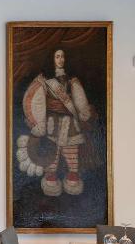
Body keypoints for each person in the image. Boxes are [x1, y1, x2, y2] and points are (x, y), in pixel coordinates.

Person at [17, 49, 94, 196]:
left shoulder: (71, 80)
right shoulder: (44, 80)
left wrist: (84, 113)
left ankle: (73, 175)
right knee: (51, 150)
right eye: (57, 56)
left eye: (63, 56)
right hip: (52, 122)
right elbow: (36, 101)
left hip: (70, 123)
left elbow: (80, 101)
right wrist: (39, 123)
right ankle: (51, 176)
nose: (60, 59)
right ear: (51, 59)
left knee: (71, 148)